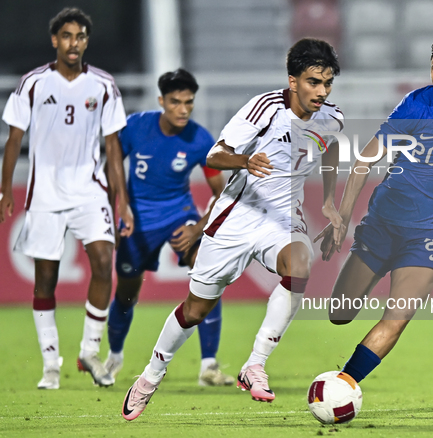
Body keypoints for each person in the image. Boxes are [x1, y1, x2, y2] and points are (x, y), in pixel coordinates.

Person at [121, 37, 344, 420]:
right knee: (194, 309)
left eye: (327, 83)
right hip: (236, 216)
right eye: (313, 82)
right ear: (293, 81)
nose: (321, 92)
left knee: (300, 267)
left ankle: (254, 364)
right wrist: (245, 161)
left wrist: (327, 201)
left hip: (282, 217)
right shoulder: (265, 109)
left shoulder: (332, 118)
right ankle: (150, 377)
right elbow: (214, 155)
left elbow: (332, 147)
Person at [316, 34, 433, 383]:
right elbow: (364, 161)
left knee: (397, 318)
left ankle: (344, 385)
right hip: (382, 226)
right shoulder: (415, 106)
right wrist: (342, 217)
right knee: (339, 313)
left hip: (429, 235)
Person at [0, 8, 133, 389]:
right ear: (55, 40)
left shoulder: (104, 86)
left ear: (87, 41)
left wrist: (120, 200)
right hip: (45, 195)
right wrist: (5, 189)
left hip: (90, 191)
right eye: (67, 36)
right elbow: (14, 140)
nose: (74, 43)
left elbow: (112, 148)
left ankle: (90, 350)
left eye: (81, 36)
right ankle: (49, 364)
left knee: (104, 261)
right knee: (45, 279)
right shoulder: (33, 84)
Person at [103, 68, 232, 387]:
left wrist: (199, 228)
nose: (183, 109)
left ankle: (209, 366)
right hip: (139, 221)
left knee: (209, 274)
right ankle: (114, 358)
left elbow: (223, 193)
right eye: (175, 102)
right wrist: (120, 207)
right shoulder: (136, 126)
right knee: (127, 294)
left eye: (189, 102)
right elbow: (113, 158)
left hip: (179, 215)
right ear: (161, 100)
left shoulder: (201, 139)